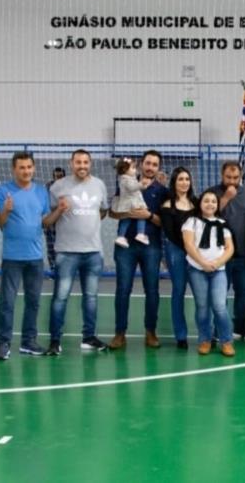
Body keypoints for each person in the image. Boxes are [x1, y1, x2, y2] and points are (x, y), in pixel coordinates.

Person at [44, 149, 109, 355]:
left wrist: (89, 225)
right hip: (66, 252)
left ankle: (88, 337)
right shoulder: (58, 187)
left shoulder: (99, 185)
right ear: (71, 164)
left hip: (93, 251)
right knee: (60, 297)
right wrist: (59, 210)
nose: (82, 166)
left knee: (91, 297)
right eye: (78, 162)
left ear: (90, 164)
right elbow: (47, 220)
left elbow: (103, 210)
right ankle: (55, 340)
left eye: (85, 162)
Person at [108, 150, 167, 350]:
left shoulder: (162, 191)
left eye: (155, 164)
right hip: (126, 246)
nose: (150, 167)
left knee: (152, 290)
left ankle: (150, 331)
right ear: (141, 164)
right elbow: (113, 212)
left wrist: (147, 215)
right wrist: (128, 212)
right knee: (123, 289)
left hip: (151, 246)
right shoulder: (125, 182)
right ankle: (119, 333)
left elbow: (164, 222)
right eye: (147, 163)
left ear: (158, 167)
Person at [0, 151, 50, 360]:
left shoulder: (41, 191)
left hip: (35, 258)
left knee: (33, 302)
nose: (26, 171)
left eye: (29, 167)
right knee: (7, 302)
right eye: (21, 167)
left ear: (33, 168)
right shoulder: (2, 191)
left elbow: (44, 221)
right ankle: (4, 343)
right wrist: (6, 210)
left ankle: (28, 342)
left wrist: (60, 211)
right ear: (13, 169)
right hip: (12, 258)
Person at [183, 190, 236, 357]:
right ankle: (205, 339)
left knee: (220, 306)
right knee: (203, 307)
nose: (210, 204)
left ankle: (226, 341)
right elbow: (189, 245)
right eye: (206, 200)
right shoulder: (191, 222)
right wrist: (203, 263)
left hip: (218, 271)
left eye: (214, 201)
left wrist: (218, 263)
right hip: (197, 270)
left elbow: (229, 248)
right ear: (200, 203)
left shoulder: (223, 223)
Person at [208, 161, 245, 339]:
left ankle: (240, 327)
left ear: (240, 175)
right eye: (228, 177)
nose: (231, 181)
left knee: (243, 293)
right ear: (222, 175)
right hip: (220, 255)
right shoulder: (212, 193)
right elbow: (209, 216)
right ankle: (217, 329)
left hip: (243, 253)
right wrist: (226, 198)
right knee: (220, 295)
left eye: (235, 177)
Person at [160, 167, 197, 349]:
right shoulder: (168, 206)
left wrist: (196, 251)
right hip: (177, 251)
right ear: (174, 182)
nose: (184, 182)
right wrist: (188, 248)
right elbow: (171, 233)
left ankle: (206, 334)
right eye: (180, 179)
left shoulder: (196, 203)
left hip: (196, 253)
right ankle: (180, 335)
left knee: (201, 294)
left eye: (187, 179)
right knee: (179, 292)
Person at [111, 157, 150, 248]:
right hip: (132, 203)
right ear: (125, 169)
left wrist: (144, 186)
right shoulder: (125, 179)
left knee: (126, 220)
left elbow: (137, 189)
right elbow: (132, 187)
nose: (135, 170)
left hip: (130, 202)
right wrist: (141, 183)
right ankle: (140, 233)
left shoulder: (129, 178)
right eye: (133, 168)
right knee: (141, 216)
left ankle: (121, 236)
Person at [44, 167, 66, 275]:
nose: (58, 179)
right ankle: (53, 268)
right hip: (51, 221)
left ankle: (64, 268)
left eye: (61, 176)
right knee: (51, 246)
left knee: (63, 246)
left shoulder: (68, 188)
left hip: (64, 221)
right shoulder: (48, 187)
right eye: (57, 176)